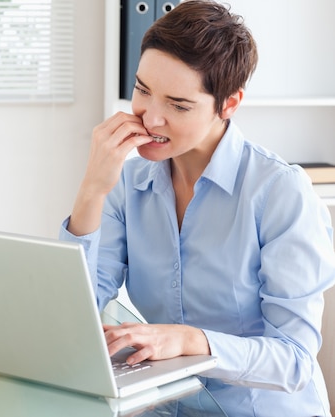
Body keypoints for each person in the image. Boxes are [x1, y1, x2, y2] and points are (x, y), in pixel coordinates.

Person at [59, 1, 335, 415]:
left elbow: (293, 360)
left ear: (228, 104)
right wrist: (92, 190)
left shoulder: (280, 191)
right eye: (142, 90)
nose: (151, 118)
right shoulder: (128, 182)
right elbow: (72, 314)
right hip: (169, 405)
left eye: (178, 105)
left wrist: (191, 340)